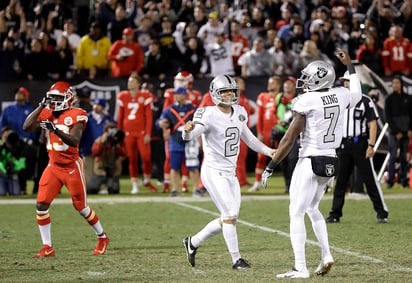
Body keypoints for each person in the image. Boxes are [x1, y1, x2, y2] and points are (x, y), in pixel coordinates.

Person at [261, 48, 362, 278]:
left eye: (308, 77)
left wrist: (271, 165)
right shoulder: (341, 94)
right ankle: (326, 254)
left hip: (310, 160)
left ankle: (300, 267)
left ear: (319, 79)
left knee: (295, 212)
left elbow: (289, 138)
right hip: (331, 160)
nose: (304, 81)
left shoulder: (305, 100)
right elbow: (356, 91)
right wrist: (350, 66)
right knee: (312, 208)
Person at [182, 75, 275, 270]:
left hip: (230, 172)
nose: (229, 94)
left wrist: (268, 151)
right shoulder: (207, 113)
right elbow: (191, 135)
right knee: (230, 214)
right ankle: (236, 260)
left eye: (231, 90)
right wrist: (187, 130)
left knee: (229, 217)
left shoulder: (240, 111)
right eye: (224, 91)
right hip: (213, 171)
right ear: (215, 93)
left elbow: (249, 139)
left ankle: (193, 242)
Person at [22, 81, 109, 257]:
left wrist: (55, 130)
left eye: (57, 98)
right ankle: (48, 247)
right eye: (52, 98)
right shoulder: (46, 112)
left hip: (71, 166)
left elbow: (75, 141)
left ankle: (102, 236)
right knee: (41, 205)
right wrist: (40, 106)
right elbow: (27, 126)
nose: (53, 101)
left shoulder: (78, 114)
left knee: (81, 207)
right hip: (53, 166)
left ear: (68, 99)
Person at [326, 71, 389, 224]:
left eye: (348, 81)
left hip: (360, 144)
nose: (346, 83)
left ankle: (382, 212)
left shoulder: (365, 101)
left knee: (370, 180)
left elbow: (372, 124)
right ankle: (335, 214)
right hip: (343, 145)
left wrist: (372, 145)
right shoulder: (340, 99)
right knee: (340, 181)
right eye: (345, 81)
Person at [116, 73, 157, 194]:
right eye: (129, 81)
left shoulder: (144, 95)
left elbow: (149, 117)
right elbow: (120, 116)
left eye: (132, 81)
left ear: (138, 84)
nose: (129, 83)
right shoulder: (123, 95)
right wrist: (120, 132)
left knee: (146, 157)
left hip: (141, 132)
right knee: (132, 159)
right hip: (128, 132)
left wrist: (148, 133)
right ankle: (135, 184)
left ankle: (147, 178)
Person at [157, 86, 201, 197]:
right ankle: (175, 189)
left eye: (178, 94)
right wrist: (161, 124)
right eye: (175, 94)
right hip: (175, 140)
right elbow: (160, 121)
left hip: (190, 141)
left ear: (184, 95)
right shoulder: (170, 109)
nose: (176, 96)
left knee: (193, 166)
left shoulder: (192, 108)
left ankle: (196, 188)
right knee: (174, 167)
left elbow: (201, 121)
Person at [249, 76, 282, 192]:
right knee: (261, 157)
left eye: (272, 83)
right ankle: (257, 182)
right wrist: (259, 132)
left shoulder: (281, 97)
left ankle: (291, 182)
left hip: (278, 131)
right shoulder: (262, 96)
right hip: (266, 132)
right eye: (269, 83)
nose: (269, 85)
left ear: (278, 85)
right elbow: (259, 116)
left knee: (283, 157)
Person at [384, 76, 412, 188]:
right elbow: (388, 117)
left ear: (401, 84)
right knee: (393, 156)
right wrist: (396, 132)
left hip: (406, 132)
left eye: (397, 83)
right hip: (394, 133)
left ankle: (404, 179)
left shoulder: (409, 98)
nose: (395, 85)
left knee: (404, 157)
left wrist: (410, 129)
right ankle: (390, 181)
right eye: (393, 83)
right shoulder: (389, 99)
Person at [87, 123, 127, 194]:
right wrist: (102, 142)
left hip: (113, 171)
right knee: (91, 189)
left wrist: (118, 146)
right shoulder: (99, 140)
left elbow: (124, 153)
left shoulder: (118, 141)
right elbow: (95, 153)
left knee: (114, 190)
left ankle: (110, 185)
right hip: (100, 170)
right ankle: (98, 186)